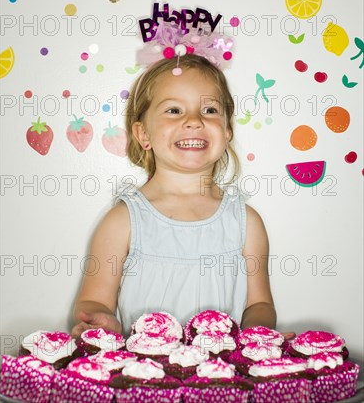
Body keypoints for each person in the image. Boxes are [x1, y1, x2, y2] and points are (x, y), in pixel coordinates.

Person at [71, 27, 294, 341]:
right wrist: (102, 319)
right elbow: (94, 299)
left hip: (220, 378)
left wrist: (257, 333)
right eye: (174, 110)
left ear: (228, 130)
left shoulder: (247, 223)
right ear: (143, 134)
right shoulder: (123, 220)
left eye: (210, 110)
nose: (194, 120)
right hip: (144, 378)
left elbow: (260, 304)